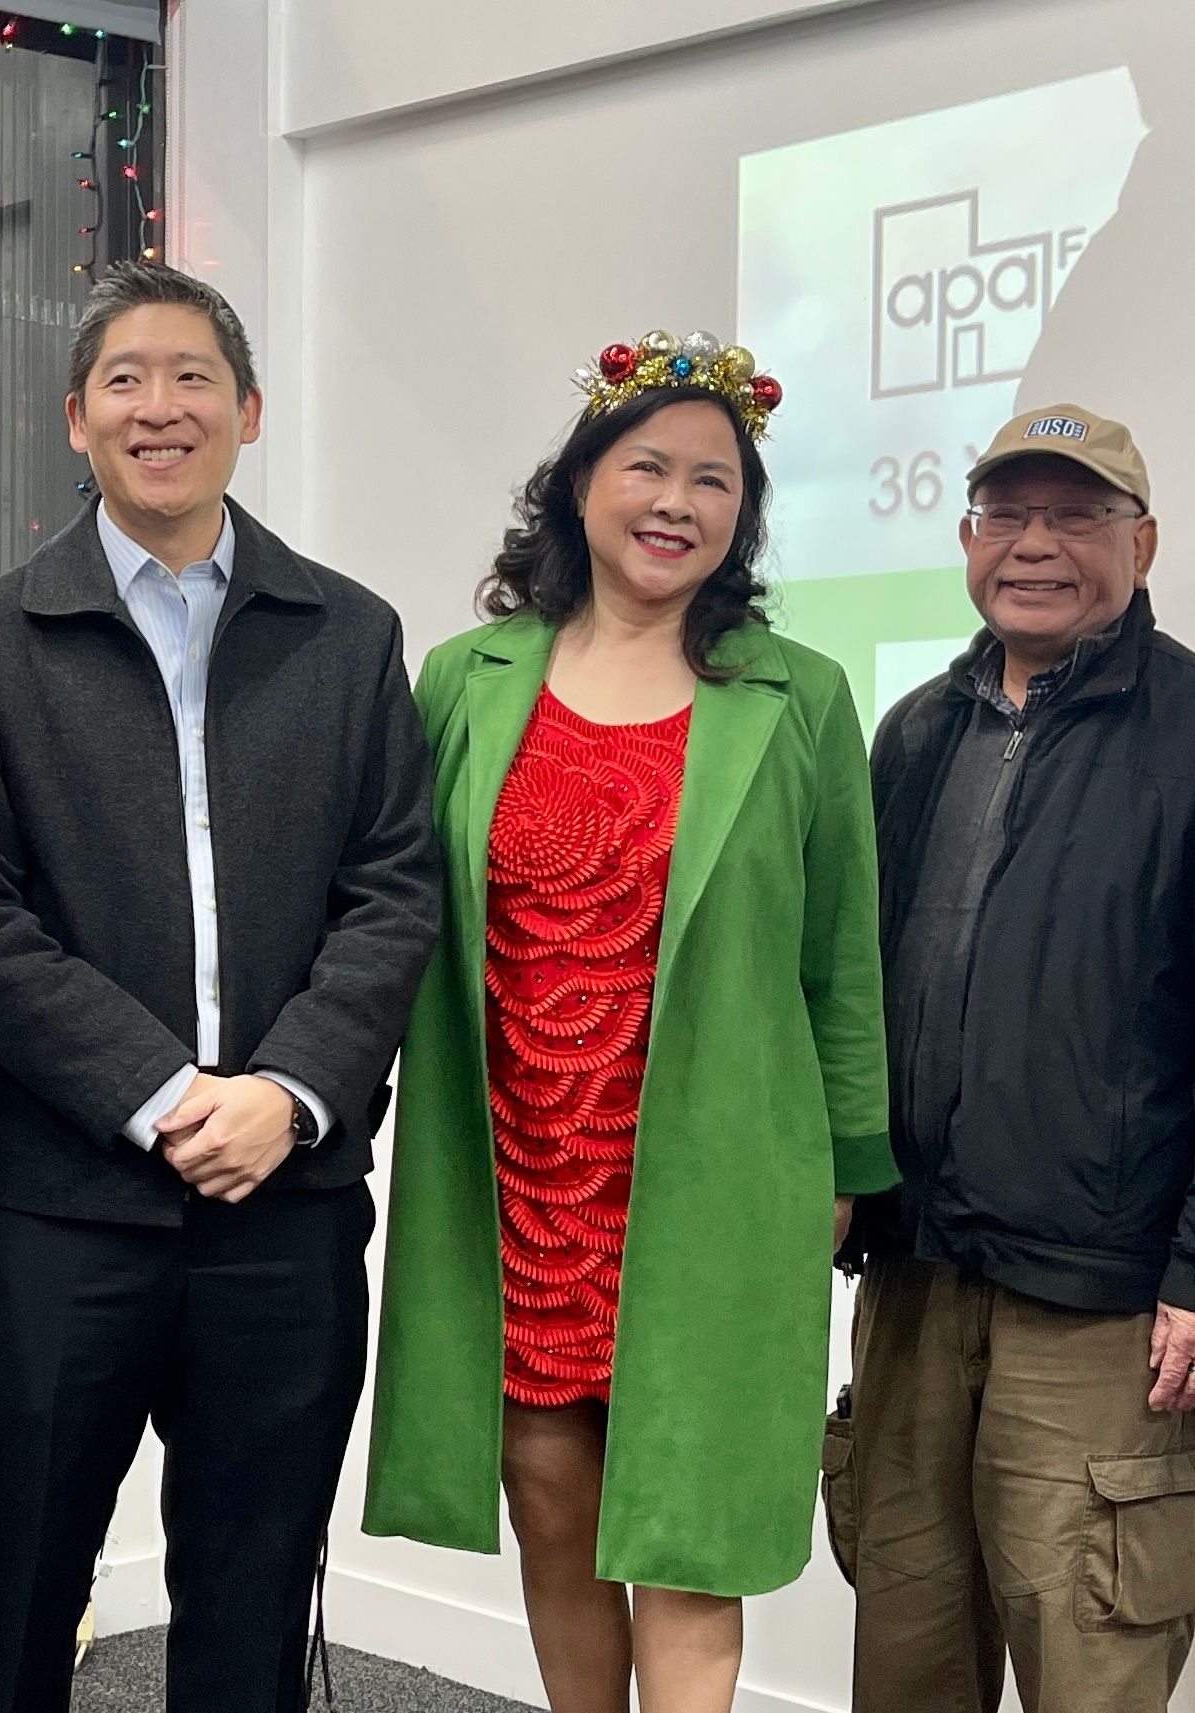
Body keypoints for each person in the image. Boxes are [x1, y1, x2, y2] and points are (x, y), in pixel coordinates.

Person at [0, 260, 440, 1713]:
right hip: (56, 1210)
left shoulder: (346, 634)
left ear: (249, 410)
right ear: (76, 416)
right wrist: (156, 1094)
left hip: (281, 1205)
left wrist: (286, 1092)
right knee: (22, 1583)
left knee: (253, 1588)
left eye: (193, 376)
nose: (163, 406)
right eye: (127, 381)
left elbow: (393, 890)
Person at [362, 331, 888, 1713]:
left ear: (740, 518)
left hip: (714, 1165)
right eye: (645, 465)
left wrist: (841, 1167)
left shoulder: (797, 695)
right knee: (546, 1488)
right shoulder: (467, 680)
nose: (675, 501)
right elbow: (402, 914)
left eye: (711, 481)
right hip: (521, 1158)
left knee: (687, 1516)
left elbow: (842, 954)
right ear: (580, 486)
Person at [839, 403, 1195, 1713]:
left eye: (1076, 515)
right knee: (905, 1658)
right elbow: (847, 991)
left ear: (1143, 540)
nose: (1036, 544)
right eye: (1008, 513)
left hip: (1106, 1303)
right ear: (964, 536)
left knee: (1091, 1664)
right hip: (911, 1279)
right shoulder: (908, 732)